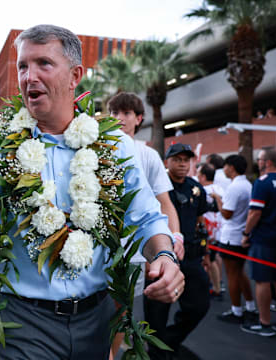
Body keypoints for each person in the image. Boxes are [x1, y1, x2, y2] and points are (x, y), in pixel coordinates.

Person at [0, 25, 184, 360]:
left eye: (44, 63)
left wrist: (164, 256)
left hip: (98, 319)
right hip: (21, 325)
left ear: (75, 75)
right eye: (23, 66)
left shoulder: (116, 147)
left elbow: (148, 218)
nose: (29, 77)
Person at [107, 92, 184, 358]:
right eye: (115, 113)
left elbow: (165, 203)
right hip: (95, 248)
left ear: (139, 119)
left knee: (120, 312)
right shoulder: (95, 146)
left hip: (133, 251)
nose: (120, 119)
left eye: (126, 113)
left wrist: (175, 237)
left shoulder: (147, 155)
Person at [144, 143, 210, 359]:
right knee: (156, 315)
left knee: (199, 305)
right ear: (167, 162)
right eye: (177, 159)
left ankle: (169, 342)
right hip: (160, 257)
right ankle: (156, 352)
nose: (182, 164)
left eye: (186, 160)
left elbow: (201, 221)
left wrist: (205, 251)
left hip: (190, 256)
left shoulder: (196, 189)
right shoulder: (158, 188)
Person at [211, 155, 256, 323]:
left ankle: (236, 311)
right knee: (240, 273)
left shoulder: (235, 187)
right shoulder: (247, 185)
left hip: (231, 237)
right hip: (242, 235)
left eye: (226, 166)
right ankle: (250, 307)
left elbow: (226, 214)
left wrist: (217, 199)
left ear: (232, 167)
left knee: (232, 275)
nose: (224, 169)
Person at [240, 148, 276, 336]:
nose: (259, 162)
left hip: (265, 240)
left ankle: (265, 323)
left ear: (268, 163)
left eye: (261, 159)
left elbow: (255, 212)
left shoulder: (262, 183)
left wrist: (246, 233)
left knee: (263, 281)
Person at [197, 163, 224, 299]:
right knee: (212, 258)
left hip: (207, 229)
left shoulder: (203, 190)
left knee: (209, 259)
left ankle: (216, 288)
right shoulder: (220, 188)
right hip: (218, 228)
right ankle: (215, 285)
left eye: (199, 174)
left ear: (203, 176)